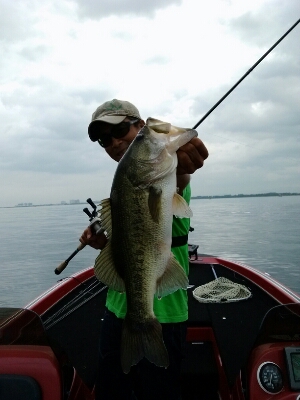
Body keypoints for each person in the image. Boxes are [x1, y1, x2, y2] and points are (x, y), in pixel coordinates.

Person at [80, 99, 209, 399]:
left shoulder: (166, 172)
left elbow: (181, 169)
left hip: (165, 314)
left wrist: (171, 145)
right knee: (113, 392)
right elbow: (129, 245)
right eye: (104, 140)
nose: (113, 142)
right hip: (118, 310)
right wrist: (103, 243)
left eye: (121, 130)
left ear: (140, 127)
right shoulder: (124, 182)